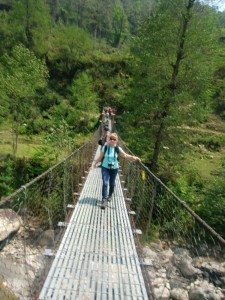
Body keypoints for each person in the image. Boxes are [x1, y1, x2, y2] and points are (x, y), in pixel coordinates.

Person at [89, 133, 141, 209]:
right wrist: (93, 165)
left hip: (114, 168)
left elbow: (125, 155)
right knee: (105, 182)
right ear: (109, 140)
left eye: (114, 139)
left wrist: (134, 157)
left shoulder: (118, 148)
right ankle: (104, 200)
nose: (112, 141)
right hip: (105, 167)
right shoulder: (105, 147)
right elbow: (100, 157)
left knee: (112, 183)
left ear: (116, 141)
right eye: (111, 139)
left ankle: (110, 195)